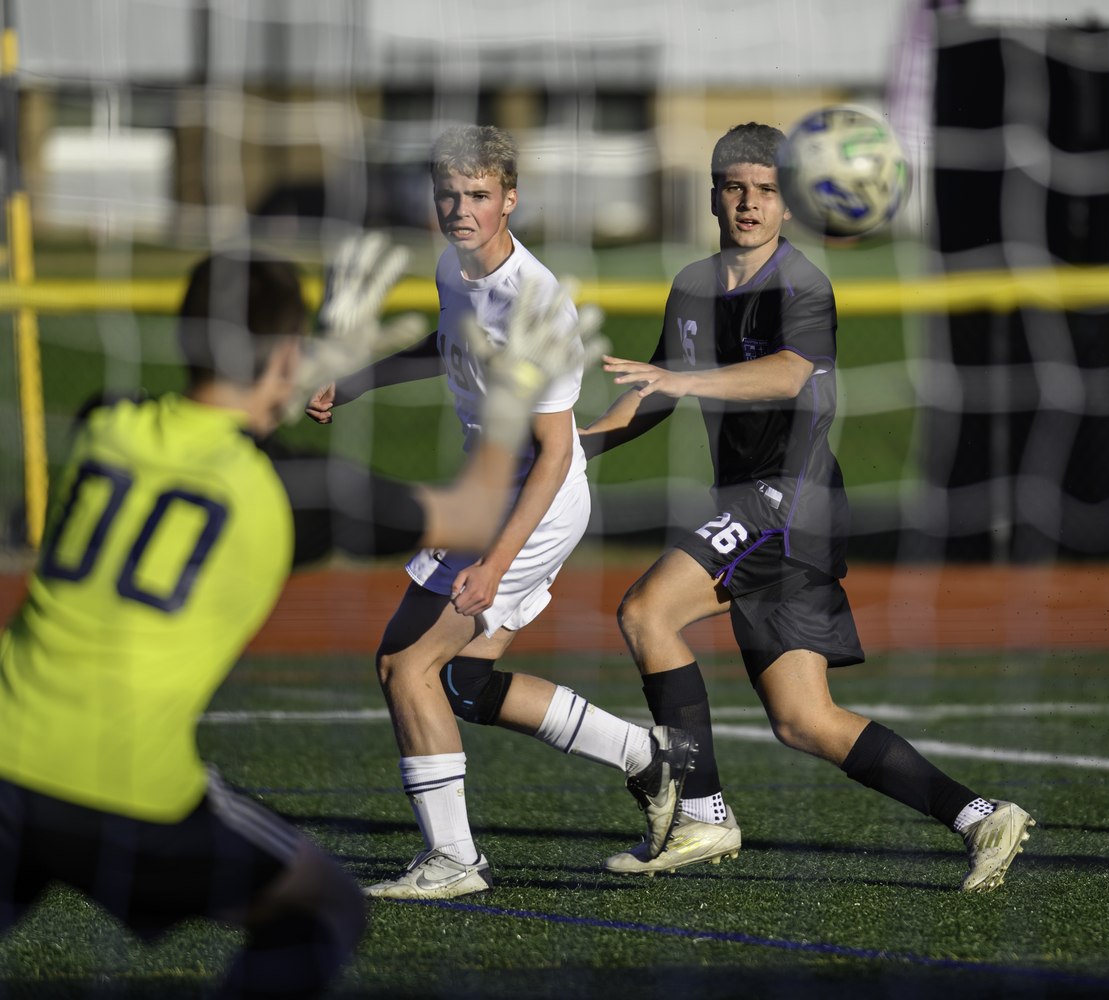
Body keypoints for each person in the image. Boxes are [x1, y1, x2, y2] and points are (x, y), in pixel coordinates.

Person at [0, 244, 591, 998]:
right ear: (283, 351)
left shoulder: (104, 424)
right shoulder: (292, 493)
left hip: (6, 755)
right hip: (129, 791)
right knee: (326, 906)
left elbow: (224, 425)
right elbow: (477, 510)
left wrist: (310, 367)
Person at [578, 122, 1035, 891]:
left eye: (765, 190)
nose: (749, 204)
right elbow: (659, 384)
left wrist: (687, 384)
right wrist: (578, 443)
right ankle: (982, 816)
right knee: (804, 721)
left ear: (789, 203)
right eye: (735, 188)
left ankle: (702, 812)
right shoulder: (692, 283)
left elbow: (790, 374)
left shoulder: (801, 285)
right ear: (714, 195)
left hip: (790, 501)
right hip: (761, 513)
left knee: (646, 612)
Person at [306, 126, 693, 901]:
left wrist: (490, 566)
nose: (461, 207)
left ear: (509, 199)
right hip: (495, 495)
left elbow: (554, 453)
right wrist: (356, 381)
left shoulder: (535, 301)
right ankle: (646, 757)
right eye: (449, 193)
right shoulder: (458, 267)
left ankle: (455, 861)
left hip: (530, 506)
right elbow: (444, 342)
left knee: (405, 665)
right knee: (462, 686)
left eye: (478, 194)